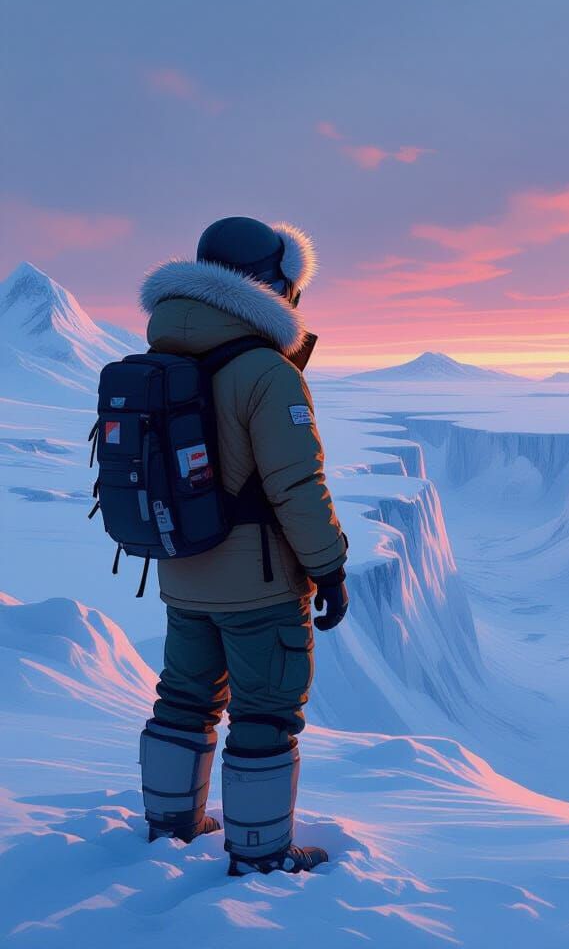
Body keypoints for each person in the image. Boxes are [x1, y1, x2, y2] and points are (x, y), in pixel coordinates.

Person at [136, 216, 349, 876]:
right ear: (272, 284)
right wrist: (329, 567)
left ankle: (170, 824)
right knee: (266, 714)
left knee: (184, 697)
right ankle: (260, 855)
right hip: (257, 584)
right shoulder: (265, 371)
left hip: (182, 570)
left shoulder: (164, 356)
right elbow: (296, 484)